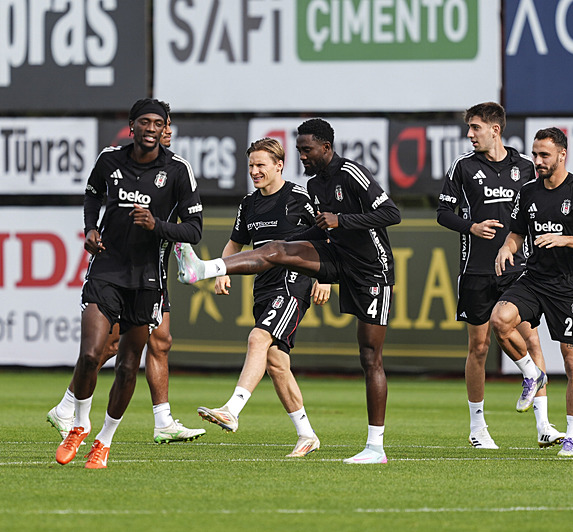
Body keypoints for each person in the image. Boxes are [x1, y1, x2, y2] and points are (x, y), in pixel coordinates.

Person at [174, 118, 400, 464]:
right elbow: (316, 232)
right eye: (299, 150)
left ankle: (375, 447)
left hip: (371, 270)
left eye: (306, 150)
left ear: (325, 147)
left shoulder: (346, 175)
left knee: (370, 357)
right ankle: (205, 269)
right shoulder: (311, 186)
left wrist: (338, 228)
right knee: (276, 355)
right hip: (329, 262)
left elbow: (391, 213)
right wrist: (285, 249)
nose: (302, 156)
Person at [55, 98, 203, 469]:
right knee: (90, 354)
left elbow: (194, 230)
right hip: (107, 268)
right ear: (132, 125)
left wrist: (157, 225)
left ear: (165, 127)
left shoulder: (178, 170)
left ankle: (104, 441)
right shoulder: (110, 160)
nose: (151, 129)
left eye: (158, 123)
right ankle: (79, 424)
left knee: (126, 365)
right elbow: (92, 195)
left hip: (148, 278)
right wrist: (91, 229)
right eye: (145, 122)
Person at [437, 102, 563, 449]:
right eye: (469, 127)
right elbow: (443, 213)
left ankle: (544, 425)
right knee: (479, 347)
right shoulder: (463, 167)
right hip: (475, 270)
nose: (469, 134)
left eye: (475, 127)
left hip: (518, 270)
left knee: (532, 340)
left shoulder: (525, 167)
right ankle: (477, 428)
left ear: (495, 129)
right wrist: (471, 226)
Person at [196, 137, 330, 458]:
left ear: (279, 165)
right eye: (251, 165)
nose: (255, 171)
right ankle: (306, 435)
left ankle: (232, 409)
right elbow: (235, 243)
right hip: (264, 287)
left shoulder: (299, 197)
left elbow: (329, 235)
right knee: (276, 362)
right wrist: (223, 270)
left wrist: (325, 277)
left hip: (293, 283)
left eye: (261, 165)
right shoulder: (249, 204)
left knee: (258, 338)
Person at [491, 127, 573, 457]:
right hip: (534, 279)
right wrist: (506, 248)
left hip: (568, 287)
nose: (538, 160)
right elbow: (516, 234)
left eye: (544, 155)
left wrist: (565, 239)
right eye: (535, 154)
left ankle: (572, 438)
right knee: (500, 320)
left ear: (562, 155)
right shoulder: (528, 192)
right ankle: (533, 374)